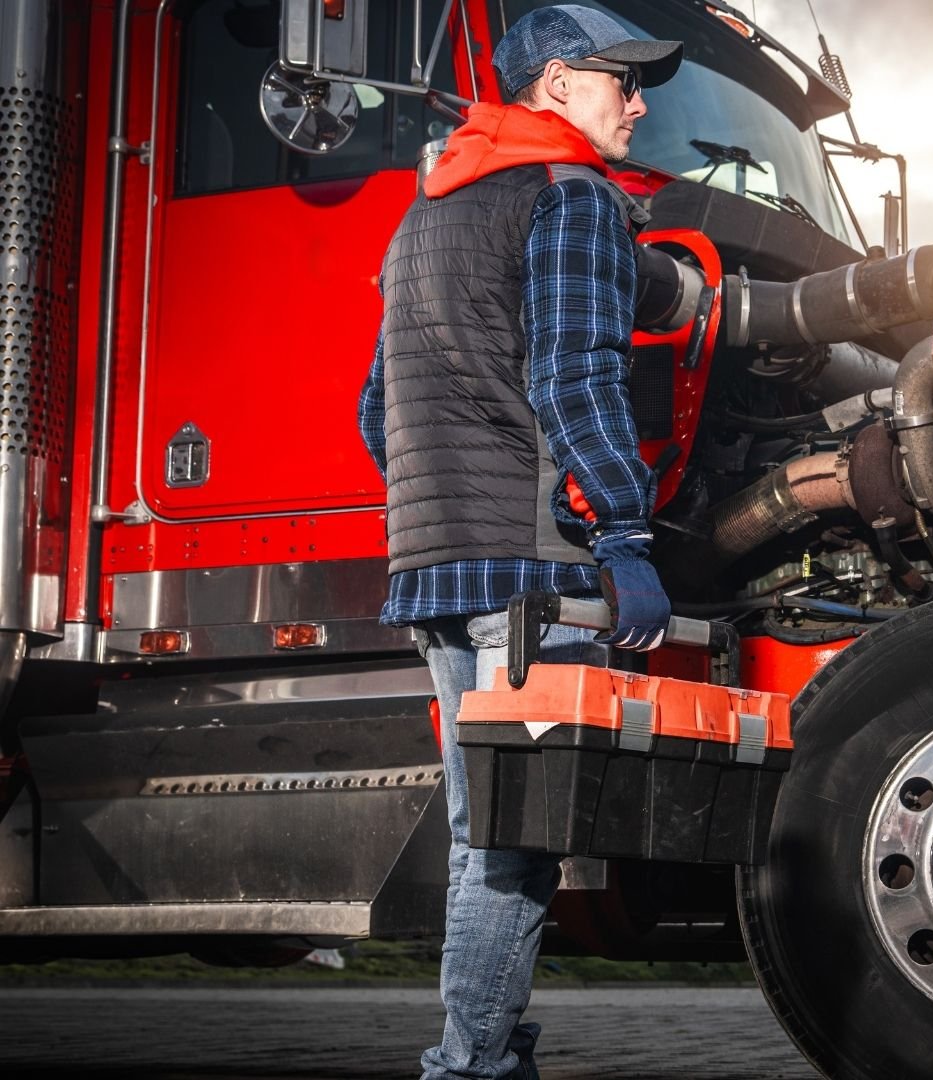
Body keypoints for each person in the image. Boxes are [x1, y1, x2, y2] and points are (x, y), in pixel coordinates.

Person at [357, 6, 691, 1077]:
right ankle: (468, 1067)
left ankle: (478, 1050)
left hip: (434, 564)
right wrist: (628, 532)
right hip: (531, 572)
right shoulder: (574, 198)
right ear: (555, 84)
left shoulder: (428, 213)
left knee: (484, 828)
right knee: (516, 840)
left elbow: (377, 410)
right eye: (621, 82)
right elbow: (575, 379)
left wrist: (444, 507)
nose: (638, 104)